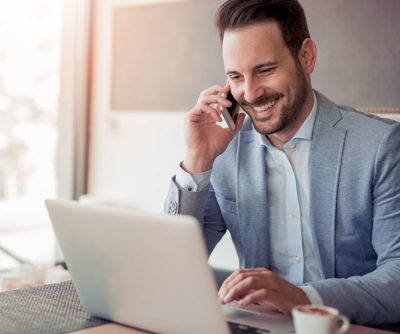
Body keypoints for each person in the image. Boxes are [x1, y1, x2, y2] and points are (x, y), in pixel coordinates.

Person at [163, 0, 400, 328]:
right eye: (236, 76)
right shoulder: (227, 151)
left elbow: (397, 281)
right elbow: (170, 269)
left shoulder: (381, 146)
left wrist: (304, 299)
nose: (250, 93)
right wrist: (198, 161)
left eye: (265, 70)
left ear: (306, 57)